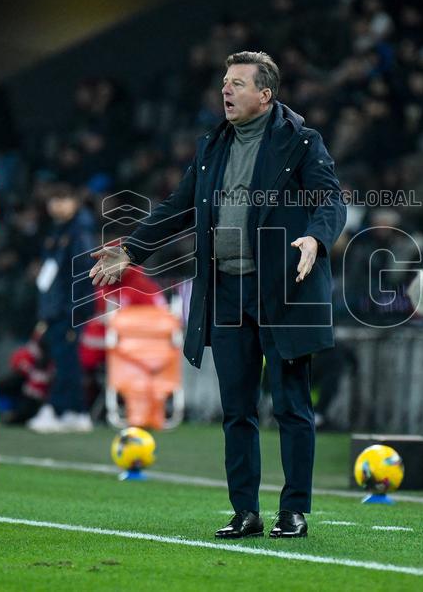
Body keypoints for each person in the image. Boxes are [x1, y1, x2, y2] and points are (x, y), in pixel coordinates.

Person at [89, 51, 346, 538]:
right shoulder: (213, 145)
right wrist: (132, 250)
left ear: (265, 95)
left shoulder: (301, 141)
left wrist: (316, 236)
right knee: (238, 408)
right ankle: (245, 511)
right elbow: (180, 205)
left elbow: (330, 198)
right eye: (225, 83)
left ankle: (293, 510)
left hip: (283, 288)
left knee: (291, 404)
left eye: (237, 84)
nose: (225, 91)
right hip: (227, 289)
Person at [27, 184, 97, 433]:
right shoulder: (57, 231)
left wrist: (75, 309)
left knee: (65, 360)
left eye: (63, 198)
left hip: (69, 308)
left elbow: (82, 273)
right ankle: (76, 412)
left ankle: (58, 410)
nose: (57, 204)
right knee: (65, 359)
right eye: (54, 199)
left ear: (75, 202)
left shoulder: (79, 232)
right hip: (57, 307)